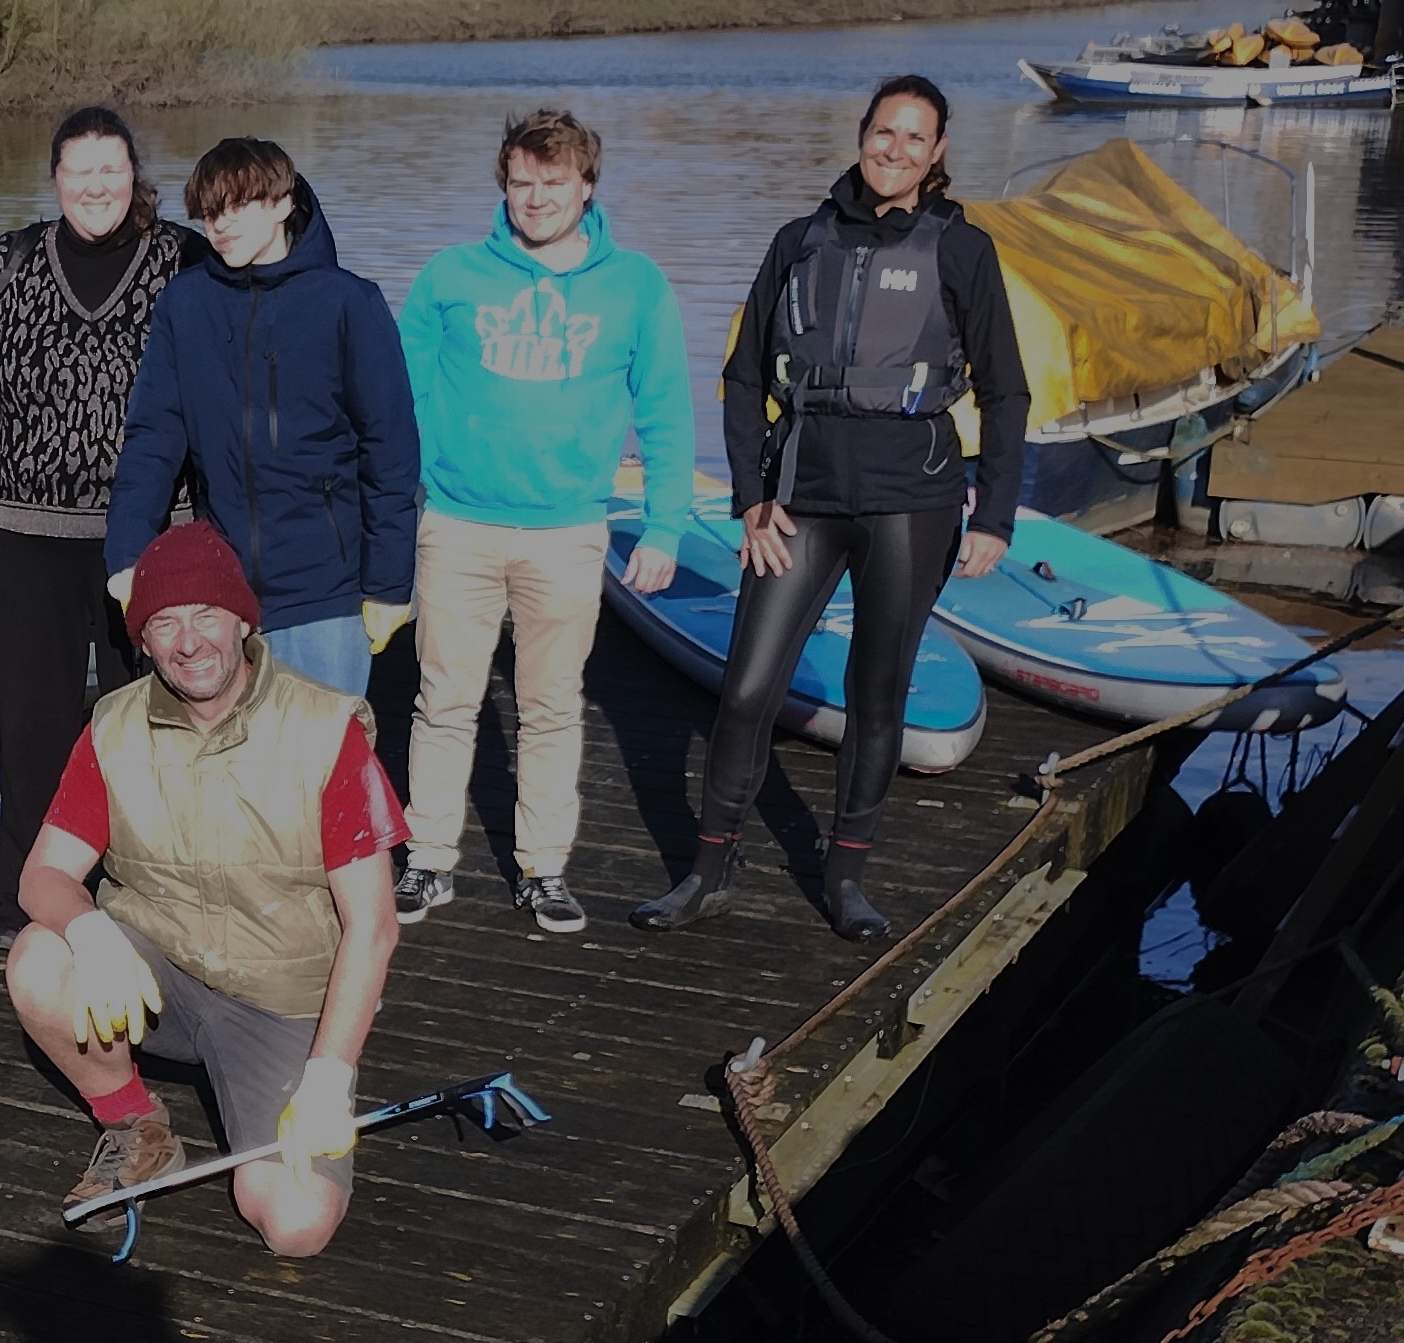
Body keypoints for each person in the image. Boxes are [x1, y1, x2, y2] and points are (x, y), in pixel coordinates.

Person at [637, 74, 1026, 942]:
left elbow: (1006, 388)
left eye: (914, 139)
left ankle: (846, 873)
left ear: (938, 155)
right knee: (744, 690)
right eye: (884, 132)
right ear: (862, 134)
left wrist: (995, 513)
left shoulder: (962, 252)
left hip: (911, 503)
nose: (895, 150)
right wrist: (749, 500)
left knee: (875, 694)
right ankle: (710, 868)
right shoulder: (798, 241)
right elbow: (743, 379)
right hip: (801, 499)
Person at [7, 527, 407, 1256]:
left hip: (281, 1000)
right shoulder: (114, 727)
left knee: (295, 1225)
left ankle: (296, 1089)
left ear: (244, 622)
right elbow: (42, 875)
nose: (188, 642)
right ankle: (136, 1123)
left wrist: (328, 1075)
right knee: (39, 958)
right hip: (156, 976)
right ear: (144, 642)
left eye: (205, 616)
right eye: (164, 623)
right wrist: (92, 935)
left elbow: (374, 926)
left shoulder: (326, 730)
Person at [0, 105, 201, 947]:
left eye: (112, 169)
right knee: (35, 728)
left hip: (151, 535)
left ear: (135, 174)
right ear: (56, 178)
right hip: (27, 536)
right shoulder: (8, 264)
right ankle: (28, 907)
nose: (96, 186)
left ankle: (150, 897)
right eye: (79, 171)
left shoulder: (185, 260)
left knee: (155, 714)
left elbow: (229, 380)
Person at [392, 107, 693, 937]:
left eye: (552, 183)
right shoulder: (451, 275)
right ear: (504, 185)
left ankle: (542, 870)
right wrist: (415, 481)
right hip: (456, 523)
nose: (535, 199)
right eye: (521, 183)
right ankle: (428, 861)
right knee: (444, 700)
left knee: (552, 706)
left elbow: (665, 410)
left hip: (567, 533)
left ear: (586, 186)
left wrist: (664, 526)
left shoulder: (635, 285)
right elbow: (400, 394)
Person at [106, 136, 420, 700]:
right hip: (221, 593)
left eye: (239, 206)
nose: (221, 226)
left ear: (281, 203)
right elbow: (154, 437)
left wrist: (390, 584)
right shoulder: (185, 304)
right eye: (210, 213)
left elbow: (390, 452)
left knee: (323, 771)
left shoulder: (349, 303)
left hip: (326, 589)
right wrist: (128, 553)